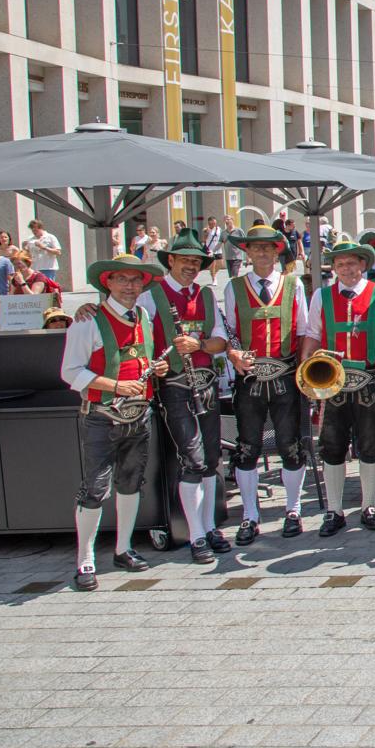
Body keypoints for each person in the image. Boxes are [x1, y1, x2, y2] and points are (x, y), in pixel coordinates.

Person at [60, 254, 170, 591]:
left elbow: (140, 360)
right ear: (107, 282)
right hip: (102, 417)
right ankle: (85, 559)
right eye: (122, 279)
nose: (130, 286)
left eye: (135, 280)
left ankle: (124, 549)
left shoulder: (144, 317)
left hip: (138, 415)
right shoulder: (86, 321)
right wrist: (117, 386)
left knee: (130, 482)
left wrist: (157, 369)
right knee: (95, 488)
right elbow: (70, 372)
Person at [138, 233, 230, 564]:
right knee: (191, 458)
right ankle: (196, 536)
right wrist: (155, 362)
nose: (191, 267)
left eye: (196, 262)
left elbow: (221, 340)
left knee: (210, 458)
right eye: (185, 261)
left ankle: (209, 527)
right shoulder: (151, 296)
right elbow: (138, 340)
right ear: (171, 261)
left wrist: (200, 346)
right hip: (175, 385)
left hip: (205, 382)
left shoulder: (206, 295)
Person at [223, 225, 312, 545]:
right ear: (246, 252)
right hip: (250, 378)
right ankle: (250, 514)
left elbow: (303, 330)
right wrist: (234, 354)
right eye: (255, 248)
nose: (262, 253)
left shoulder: (293, 284)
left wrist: (303, 369)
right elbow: (229, 332)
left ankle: (293, 508)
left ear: (278, 252)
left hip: (286, 374)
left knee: (290, 444)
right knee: (248, 446)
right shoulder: (233, 286)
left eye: (268, 248)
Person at [305, 241, 375, 537]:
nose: (346, 269)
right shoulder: (321, 296)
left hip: (369, 380)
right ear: (333, 268)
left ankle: (368, 505)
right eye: (340, 264)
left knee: (371, 444)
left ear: (363, 265)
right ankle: (334, 510)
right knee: (331, 445)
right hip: (331, 382)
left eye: (352, 263)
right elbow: (312, 335)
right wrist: (306, 376)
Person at [201, 217, 224, 283]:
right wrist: (206, 233)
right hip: (209, 249)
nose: (213, 224)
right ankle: (214, 279)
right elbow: (204, 240)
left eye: (214, 223)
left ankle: (213, 274)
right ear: (208, 223)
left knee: (220, 264)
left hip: (218, 249)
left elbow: (221, 238)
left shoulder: (219, 229)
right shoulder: (206, 230)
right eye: (211, 223)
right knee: (212, 264)